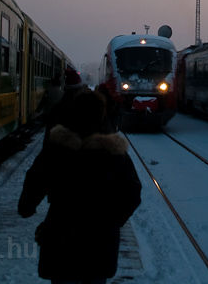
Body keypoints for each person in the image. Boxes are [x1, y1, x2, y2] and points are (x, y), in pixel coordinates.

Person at [18, 91, 142, 284]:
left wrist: (27, 207)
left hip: (62, 233)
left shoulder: (56, 148)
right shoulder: (116, 153)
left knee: (62, 277)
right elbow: (133, 192)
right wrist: (113, 221)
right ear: (102, 115)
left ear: (73, 112)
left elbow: (35, 178)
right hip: (100, 240)